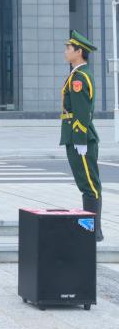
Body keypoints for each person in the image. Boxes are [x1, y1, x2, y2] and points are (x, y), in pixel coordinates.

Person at [61, 30, 104, 242]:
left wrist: (80, 139)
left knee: (89, 185)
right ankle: (91, 230)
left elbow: (82, 111)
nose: (66, 51)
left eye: (69, 48)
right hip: (76, 136)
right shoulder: (77, 74)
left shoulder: (80, 77)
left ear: (79, 52)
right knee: (86, 184)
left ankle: (93, 232)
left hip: (81, 138)